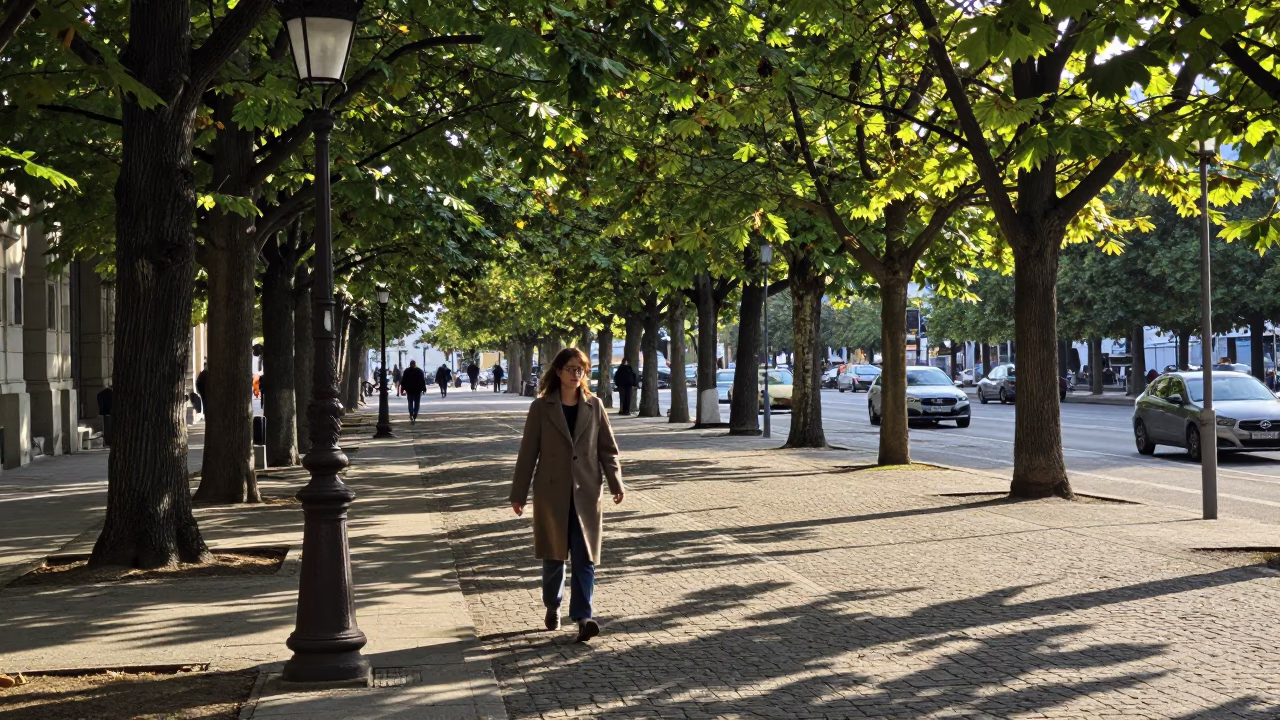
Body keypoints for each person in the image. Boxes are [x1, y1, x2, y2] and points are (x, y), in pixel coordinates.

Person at [509, 347, 624, 643]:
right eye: (571, 368)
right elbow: (528, 453)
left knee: (586, 557)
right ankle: (552, 604)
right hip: (551, 493)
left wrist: (616, 483)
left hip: (587, 492)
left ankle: (584, 617)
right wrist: (518, 493)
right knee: (554, 556)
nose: (577, 374)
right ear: (558, 371)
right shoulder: (541, 408)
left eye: (581, 369)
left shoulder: (594, 406)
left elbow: (607, 450)